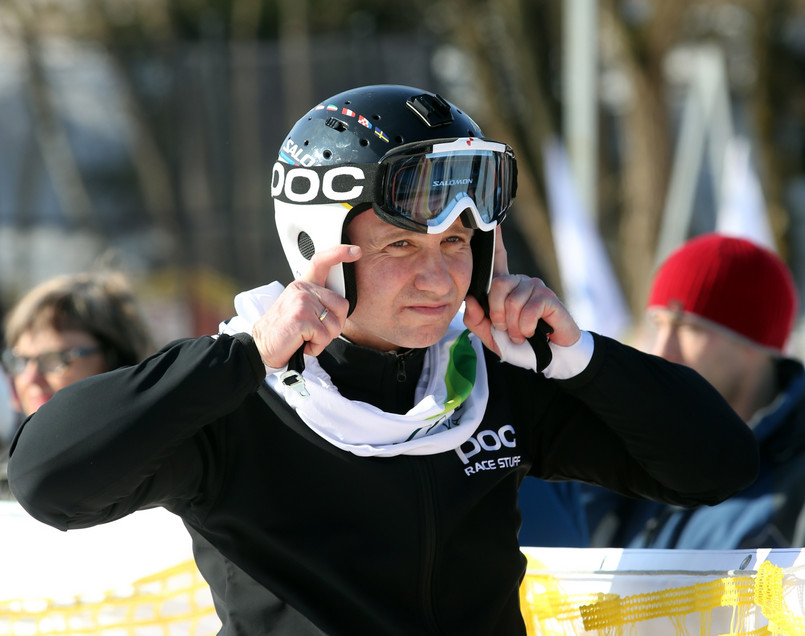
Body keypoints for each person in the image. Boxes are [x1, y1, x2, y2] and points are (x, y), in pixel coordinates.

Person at [7, 85, 759, 635]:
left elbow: (717, 467)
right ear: (320, 249)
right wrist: (238, 358)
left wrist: (584, 359)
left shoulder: (491, 379)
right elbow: (49, 481)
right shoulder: (237, 398)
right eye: (401, 246)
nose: (437, 278)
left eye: (456, 245)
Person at [582, 233, 805, 549]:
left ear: (754, 343)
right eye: (658, 325)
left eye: (687, 327)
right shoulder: (641, 448)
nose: (660, 352)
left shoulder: (795, 485)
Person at [0, 271, 154, 499]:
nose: (30, 379)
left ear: (116, 361)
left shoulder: (160, 478)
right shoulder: (9, 487)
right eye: (20, 361)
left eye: (56, 359)